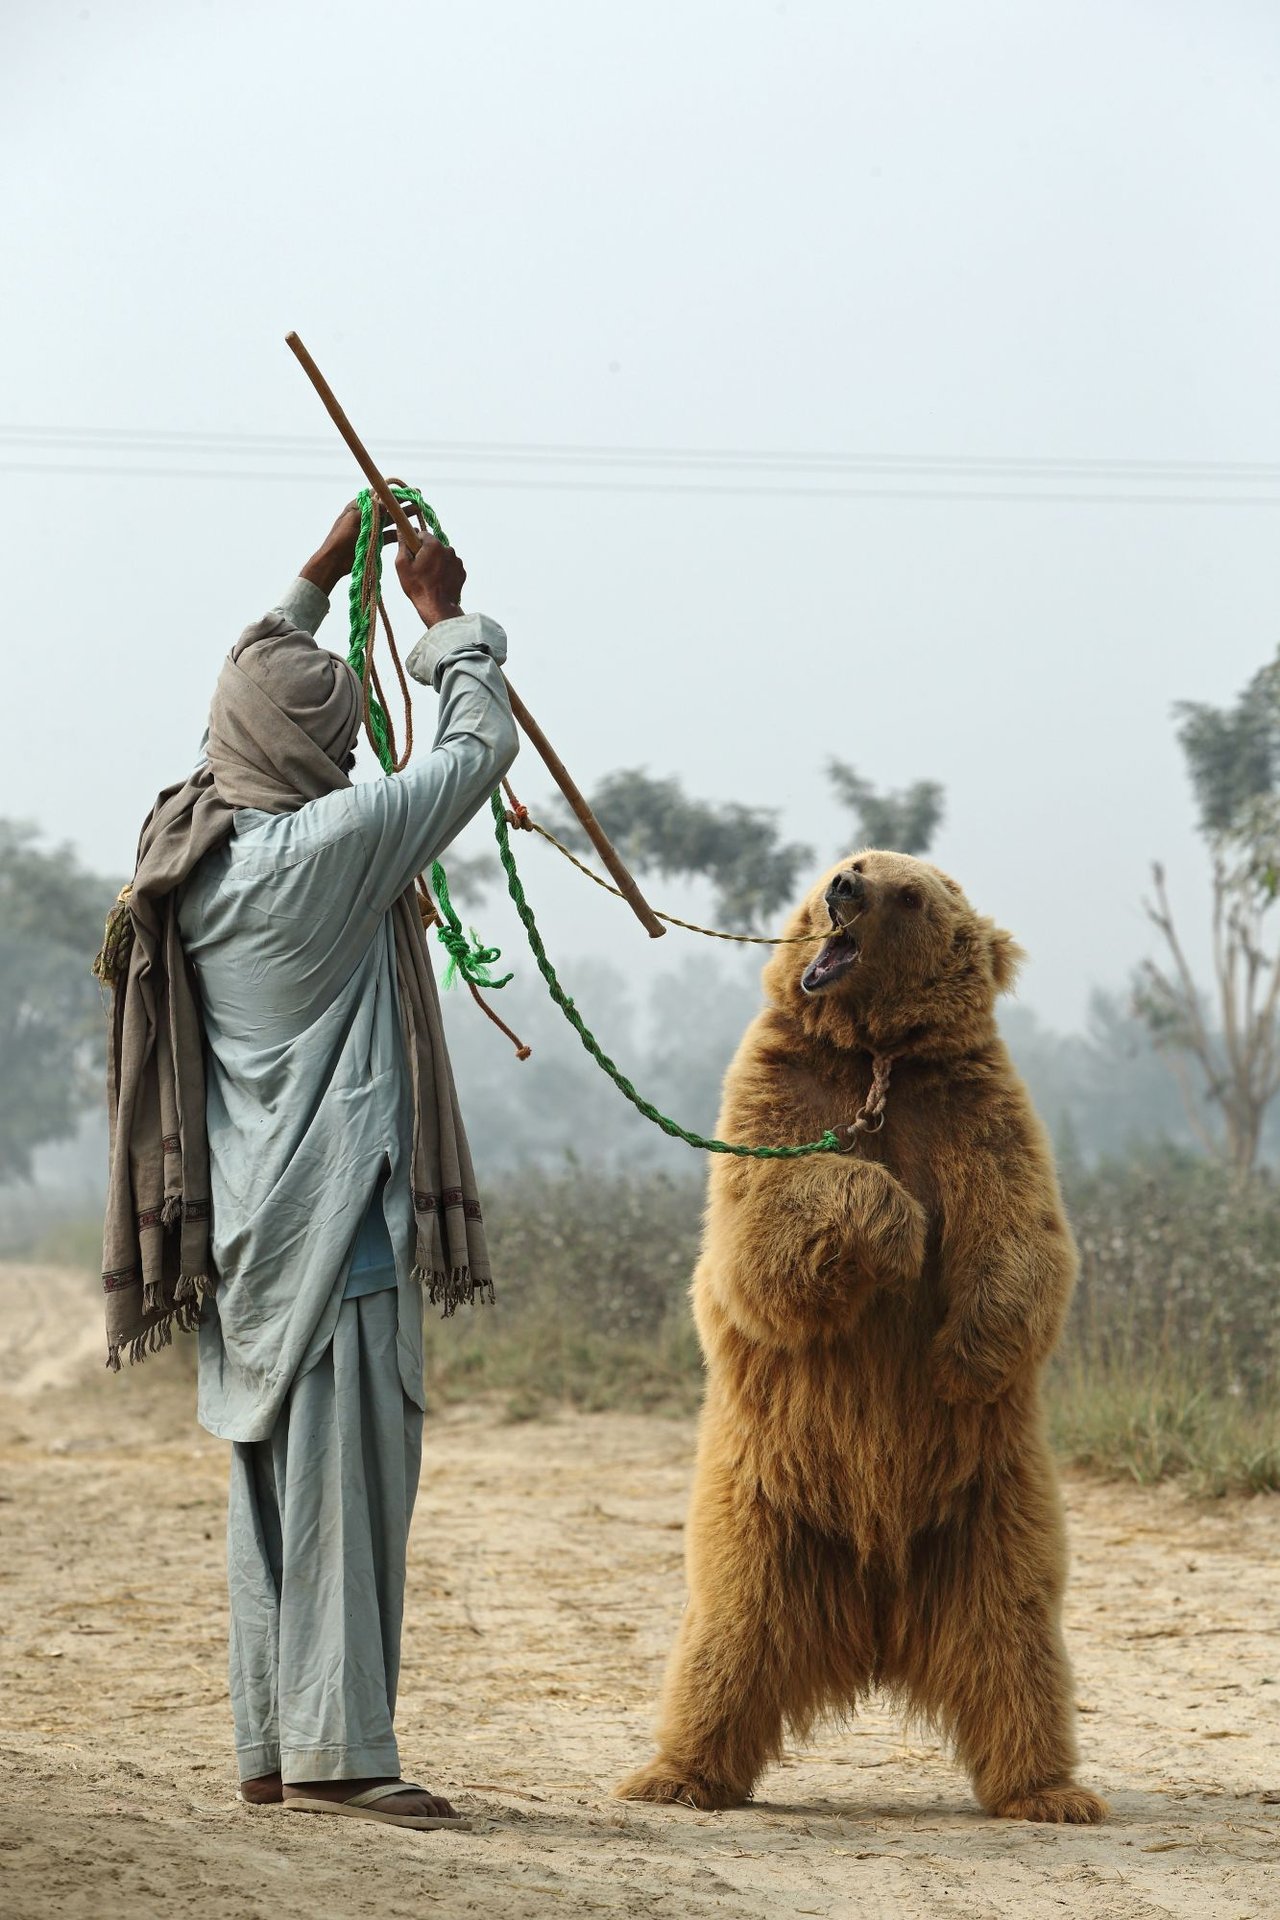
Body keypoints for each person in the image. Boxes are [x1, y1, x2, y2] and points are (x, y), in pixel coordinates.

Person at [98, 504, 517, 1831]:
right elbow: (477, 746)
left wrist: (321, 573)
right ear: (311, 752)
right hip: (342, 1228)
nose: (349, 760)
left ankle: (277, 1751)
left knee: (272, 1502)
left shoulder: (191, 841)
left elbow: (251, 673)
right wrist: (445, 615)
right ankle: (344, 1759)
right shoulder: (328, 852)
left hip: (239, 1229)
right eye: (337, 742)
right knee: (346, 1489)